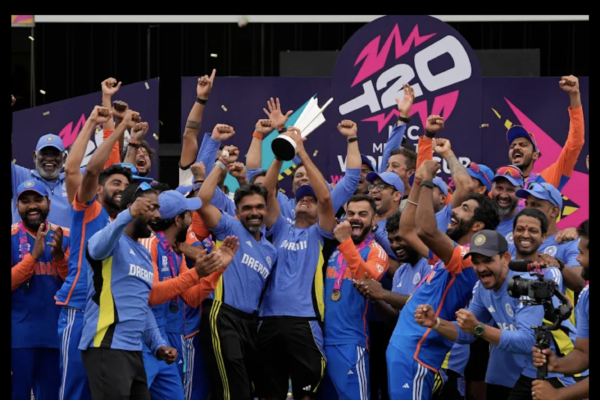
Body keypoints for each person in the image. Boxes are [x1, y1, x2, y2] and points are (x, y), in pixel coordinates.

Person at [390, 160, 500, 400]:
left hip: (419, 352)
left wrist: (428, 180)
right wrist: (418, 184)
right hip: (406, 350)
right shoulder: (450, 254)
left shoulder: (468, 259)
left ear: (478, 225)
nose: (454, 211)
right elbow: (408, 230)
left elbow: (426, 231)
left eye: (464, 209)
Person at [56, 109, 138, 400]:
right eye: (115, 183)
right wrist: (101, 124)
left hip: (109, 320)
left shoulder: (124, 226)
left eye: (127, 187)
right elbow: (81, 170)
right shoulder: (88, 209)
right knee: (74, 390)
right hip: (79, 309)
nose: (122, 189)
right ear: (100, 188)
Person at [79, 182, 178, 399]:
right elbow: (94, 249)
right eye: (151, 207)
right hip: (106, 347)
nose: (158, 214)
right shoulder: (109, 239)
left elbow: (143, 307)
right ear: (133, 207)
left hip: (134, 352)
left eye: (158, 208)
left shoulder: (143, 254)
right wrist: (128, 214)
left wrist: (158, 344)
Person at [258, 127, 337, 400]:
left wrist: (301, 150)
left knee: (306, 393)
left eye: (311, 200)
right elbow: (265, 194)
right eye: (301, 197)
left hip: (305, 320)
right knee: (271, 392)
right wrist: (281, 154)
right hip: (267, 319)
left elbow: (326, 197)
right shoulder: (280, 228)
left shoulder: (321, 233)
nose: (306, 200)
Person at [138, 189, 239, 400]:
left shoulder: (174, 251)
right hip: (143, 339)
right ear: (177, 219)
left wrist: (218, 268)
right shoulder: (149, 244)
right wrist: (197, 273)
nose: (192, 220)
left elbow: (191, 296)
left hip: (167, 338)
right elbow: (153, 295)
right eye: (188, 215)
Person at [196, 149, 278, 400]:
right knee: (233, 391)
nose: (254, 212)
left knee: (253, 390)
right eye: (247, 208)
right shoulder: (229, 226)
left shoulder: (270, 250)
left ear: (267, 209)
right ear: (238, 211)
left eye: (259, 207)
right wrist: (220, 163)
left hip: (251, 324)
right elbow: (202, 200)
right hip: (222, 316)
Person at [320, 195, 389, 400]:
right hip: (322, 340)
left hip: (351, 342)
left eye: (362, 214)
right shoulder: (336, 250)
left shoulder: (376, 252)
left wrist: (346, 242)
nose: (355, 218)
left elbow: (367, 281)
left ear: (374, 220)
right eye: (350, 214)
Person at [11, 180, 70, 400]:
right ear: (17, 206)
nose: (32, 205)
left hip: (56, 338)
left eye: (37, 199)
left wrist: (59, 259)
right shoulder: (11, 235)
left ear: (49, 203)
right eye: (25, 201)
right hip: (18, 340)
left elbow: (76, 286)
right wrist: (33, 257)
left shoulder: (65, 235)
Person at [530, 219, 589, 400]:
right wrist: (556, 364)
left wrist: (558, 394)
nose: (577, 259)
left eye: (582, 253)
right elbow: (583, 353)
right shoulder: (586, 295)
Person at [506, 75, 584, 204]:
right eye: (512, 146)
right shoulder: (499, 185)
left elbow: (574, 144)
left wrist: (574, 96)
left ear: (535, 155)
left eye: (523, 144)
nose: (516, 148)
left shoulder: (546, 179)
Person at [353, 211, 431, 326]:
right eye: (391, 240)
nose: (394, 245)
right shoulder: (400, 272)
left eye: (399, 239)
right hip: (405, 341)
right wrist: (374, 297)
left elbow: (424, 305)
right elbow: (394, 318)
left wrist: (382, 293)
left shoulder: (431, 265)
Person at [515, 181, 586, 295]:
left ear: (554, 211)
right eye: (527, 204)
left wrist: (558, 265)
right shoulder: (517, 239)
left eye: (536, 205)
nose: (528, 209)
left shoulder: (569, 243)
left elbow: (579, 282)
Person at [11, 133, 70, 225]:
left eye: (55, 154)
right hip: (25, 239)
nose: (50, 158)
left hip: (64, 239)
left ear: (64, 158)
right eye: (44, 153)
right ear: (35, 156)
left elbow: (93, 168)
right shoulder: (20, 176)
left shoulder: (73, 180)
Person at [490, 165, 524, 243]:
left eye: (510, 190)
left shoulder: (526, 225)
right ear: (491, 189)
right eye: (499, 188)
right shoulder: (479, 218)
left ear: (521, 194)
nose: (503, 195)